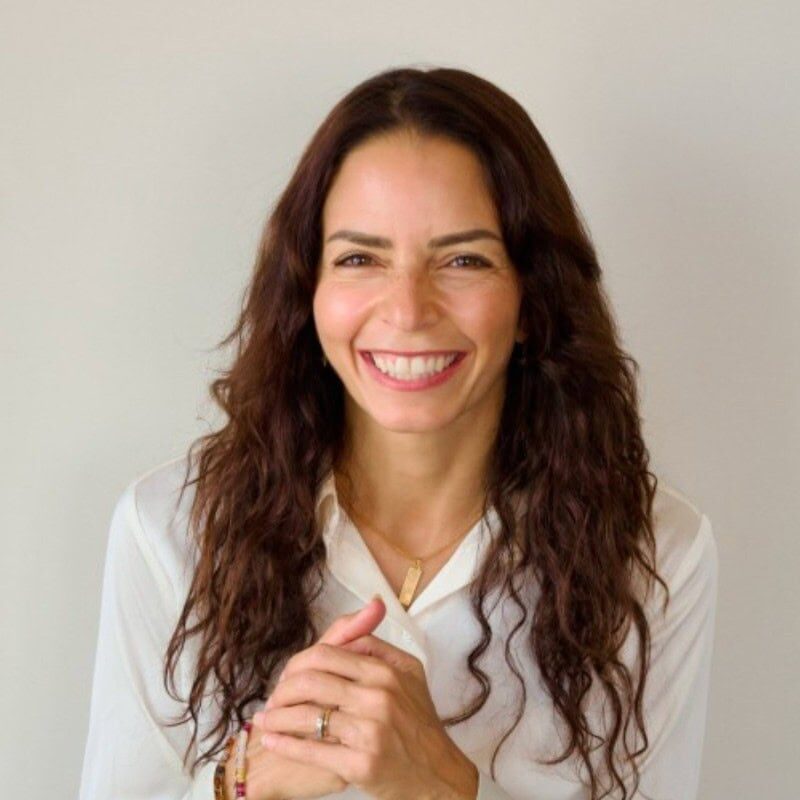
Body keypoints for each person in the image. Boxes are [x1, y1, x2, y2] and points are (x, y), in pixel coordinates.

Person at [79, 65, 719, 800]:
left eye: (463, 260)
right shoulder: (169, 533)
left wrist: (446, 787)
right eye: (360, 258)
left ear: (532, 300)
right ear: (308, 293)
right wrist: (242, 787)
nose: (408, 310)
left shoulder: (661, 553)